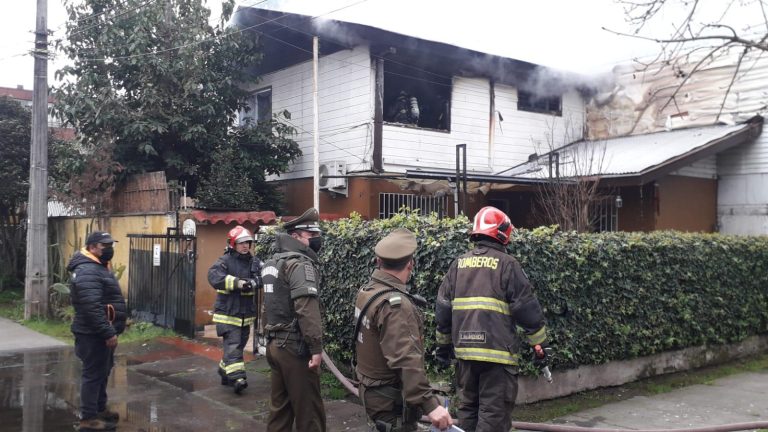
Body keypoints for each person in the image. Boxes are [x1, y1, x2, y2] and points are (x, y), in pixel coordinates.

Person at [434, 206, 551, 432]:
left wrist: (443, 347)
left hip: (465, 357)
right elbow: (527, 313)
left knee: (467, 413)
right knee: (493, 417)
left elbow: (443, 312)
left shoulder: (458, 265)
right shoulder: (507, 265)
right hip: (497, 358)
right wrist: (541, 346)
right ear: (503, 233)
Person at [354, 228, 453, 432]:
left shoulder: (367, 292)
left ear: (378, 261)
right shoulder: (395, 306)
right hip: (389, 400)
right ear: (410, 264)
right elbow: (405, 358)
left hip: (372, 392)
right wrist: (431, 406)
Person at [261, 208, 326, 431]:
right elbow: (306, 309)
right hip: (295, 349)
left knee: (280, 411)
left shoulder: (272, 262)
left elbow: (267, 306)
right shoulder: (299, 265)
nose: (316, 240)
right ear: (295, 237)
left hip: (275, 345)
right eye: (311, 236)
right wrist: (315, 348)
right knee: (310, 413)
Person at [68, 231, 127, 432]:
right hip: (92, 333)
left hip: (100, 331)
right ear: (92, 247)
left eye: (111, 244)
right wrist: (107, 332)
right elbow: (91, 307)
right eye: (105, 245)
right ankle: (88, 418)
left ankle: (99, 409)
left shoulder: (98, 266)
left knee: (103, 371)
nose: (109, 249)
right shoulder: (87, 270)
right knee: (93, 374)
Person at [208, 225, 262, 394]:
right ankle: (238, 378)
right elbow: (214, 276)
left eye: (247, 242)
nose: (245, 245)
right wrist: (237, 283)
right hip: (228, 314)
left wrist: (255, 282)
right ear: (233, 244)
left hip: (246, 315)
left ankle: (224, 370)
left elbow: (265, 276)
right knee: (234, 345)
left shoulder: (254, 262)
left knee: (238, 346)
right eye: (241, 243)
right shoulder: (224, 261)